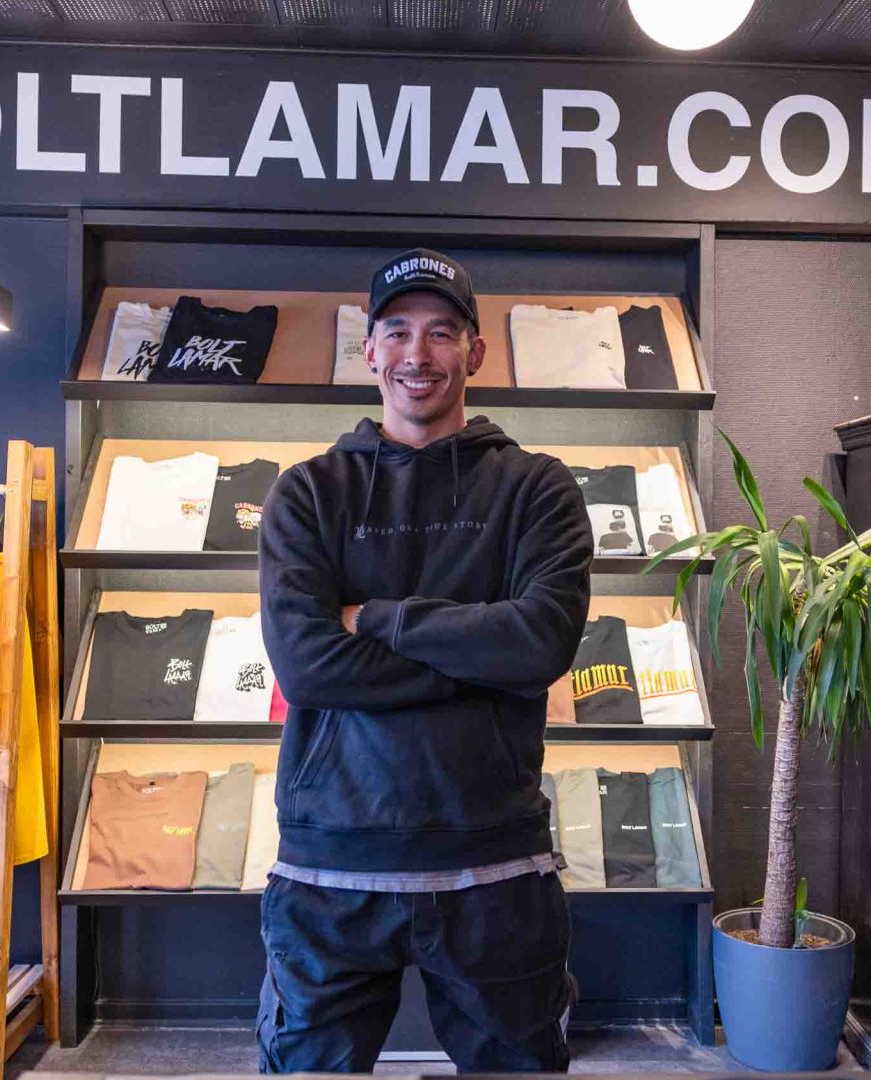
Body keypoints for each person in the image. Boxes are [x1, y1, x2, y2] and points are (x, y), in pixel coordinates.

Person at [255, 248, 594, 1072]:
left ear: (475, 352)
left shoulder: (537, 489)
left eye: (443, 332)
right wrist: (483, 658)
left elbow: (540, 644)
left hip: (494, 863)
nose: (419, 354)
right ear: (368, 349)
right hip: (333, 862)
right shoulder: (308, 493)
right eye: (398, 331)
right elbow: (306, 668)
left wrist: (374, 617)